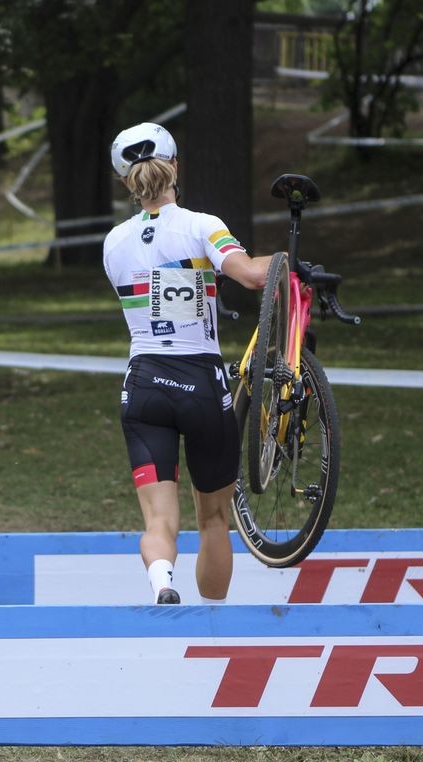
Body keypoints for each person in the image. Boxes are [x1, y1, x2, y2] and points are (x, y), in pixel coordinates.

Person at [102, 123, 272, 605]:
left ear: (126, 181)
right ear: (175, 166)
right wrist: (286, 260)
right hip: (200, 381)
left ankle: (162, 582)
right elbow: (251, 276)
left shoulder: (113, 243)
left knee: (158, 521)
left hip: (144, 385)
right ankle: (211, 624)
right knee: (214, 521)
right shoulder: (202, 225)